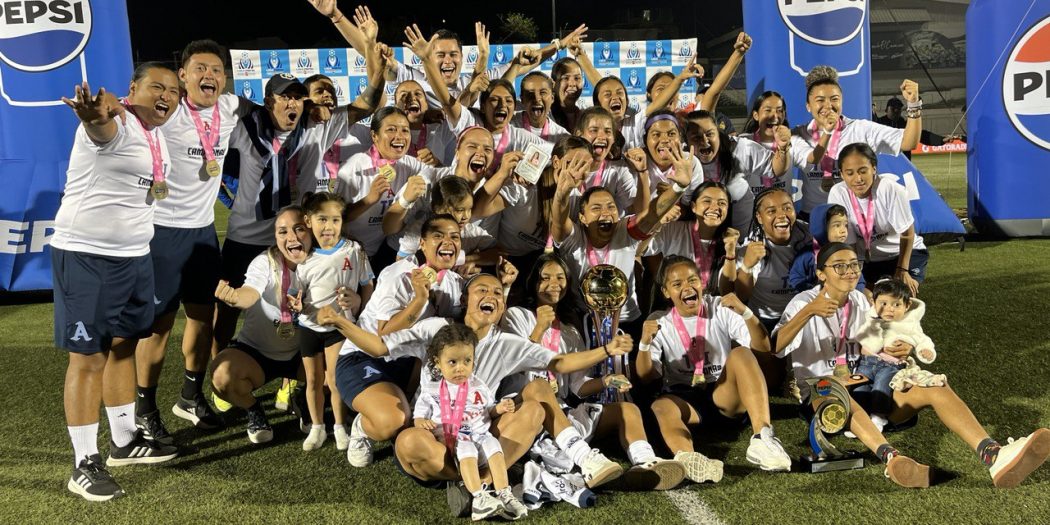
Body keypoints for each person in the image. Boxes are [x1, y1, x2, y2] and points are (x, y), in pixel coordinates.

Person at [320, 273, 631, 492]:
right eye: (482, 290)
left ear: (502, 308)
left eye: (497, 293)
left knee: (535, 404)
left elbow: (559, 363)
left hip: (480, 439)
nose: (491, 296)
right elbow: (378, 347)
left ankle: (481, 483)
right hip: (435, 442)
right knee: (408, 443)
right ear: (465, 299)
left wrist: (607, 349)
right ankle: (478, 481)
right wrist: (339, 321)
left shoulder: (507, 343)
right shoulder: (435, 329)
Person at [774, 243, 1050, 489]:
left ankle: (993, 455)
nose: (850, 271)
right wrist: (807, 313)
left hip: (871, 388)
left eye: (854, 265)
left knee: (935, 385)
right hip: (822, 396)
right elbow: (776, 347)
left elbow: (885, 337)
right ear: (821, 274)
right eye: (839, 266)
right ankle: (892, 459)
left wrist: (901, 347)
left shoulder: (861, 301)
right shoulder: (803, 302)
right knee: (832, 388)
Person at [55, 65, 181, 501]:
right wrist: (95, 114)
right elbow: (101, 126)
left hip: (135, 256)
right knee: (88, 357)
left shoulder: (155, 133)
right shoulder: (118, 122)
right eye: (156, 87)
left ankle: (124, 441)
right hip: (87, 256)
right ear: (132, 90)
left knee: (124, 346)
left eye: (173, 91)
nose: (166, 96)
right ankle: (83, 463)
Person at [133, 40, 253, 444]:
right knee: (159, 327)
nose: (209, 76)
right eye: (200, 68)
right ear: (182, 75)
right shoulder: (166, 110)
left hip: (203, 233)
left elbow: (269, 110)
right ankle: (144, 409)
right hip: (162, 230)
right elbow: (127, 108)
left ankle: (190, 395)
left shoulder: (231, 108)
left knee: (203, 317)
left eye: (217, 70)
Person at [501, 254, 687, 491]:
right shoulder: (516, 315)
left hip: (561, 412)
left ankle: (645, 463)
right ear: (533, 283)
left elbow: (577, 386)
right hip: (526, 410)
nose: (553, 284)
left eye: (560, 278)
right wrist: (539, 329)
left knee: (627, 409)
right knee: (542, 388)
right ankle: (585, 458)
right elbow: (515, 361)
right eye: (545, 278)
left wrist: (607, 381)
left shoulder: (570, 331)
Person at [637, 256, 792, 478]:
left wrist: (746, 313)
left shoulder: (719, 306)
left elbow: (764, 349)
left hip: (723, 393)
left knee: (741, 353)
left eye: (692, 280)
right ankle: (689, 459)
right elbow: (646, 376)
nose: (687, 288)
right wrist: (644, 344)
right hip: (686, 400)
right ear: (666, 292)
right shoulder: (659, 320)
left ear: (702, 282)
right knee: (661, 406)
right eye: (677, 284)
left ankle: (763, 437)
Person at [550, 140, 697, 335]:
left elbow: (651, 215)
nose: (606, 212)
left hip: (627, 321)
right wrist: (562, 193)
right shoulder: (574, 239)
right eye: (596, 208)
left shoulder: (624, 231)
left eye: (611, 207)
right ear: (582, 218)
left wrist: (679, 187)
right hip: (584, 321)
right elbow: (559, 220)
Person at [210, 206, 311, 444]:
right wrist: (235, 297)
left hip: (302, 355)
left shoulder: (322, 262)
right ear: (275, 236)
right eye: (283, 231)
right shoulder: (265, 261)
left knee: (338, 370)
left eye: (298, 229)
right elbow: (250, 293)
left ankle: (305, 398)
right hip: (257, 353)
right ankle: (253, 409)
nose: (291, 237)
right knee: (221, 376)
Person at [412, 324, 529, 521]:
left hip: (481, 435)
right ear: (437, 362)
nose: (461, 368)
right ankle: (479, 498)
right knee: (467, 448)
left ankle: (504, 494)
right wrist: (421, 421)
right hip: (455, 439)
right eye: (452, 362)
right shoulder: (431, 390)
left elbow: (488, 410)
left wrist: (499, 408)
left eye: (467, 361)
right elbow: (418, 418)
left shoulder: (478, 385)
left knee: (494, 445)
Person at [295, 192, 374, 451]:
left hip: (339, 328)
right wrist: (297, 306)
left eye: (335, 220)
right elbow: (296, 294)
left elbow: (367, 285)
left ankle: (340, 426)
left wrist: (360, 306)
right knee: (313, 380)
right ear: (308, 221)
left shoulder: (354, 250)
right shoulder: (302, 256)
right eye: (322, 219)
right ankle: (317, 427)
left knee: (335, 380)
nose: (328, 226)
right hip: (309, 327)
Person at [793, 65, 922, 217]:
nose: (828, 106)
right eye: (820, 100)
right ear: (808, 106)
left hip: (852, 219)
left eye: (834, 99)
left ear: (842, 101)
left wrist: (914, 104)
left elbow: (908, 142)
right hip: (812, 217)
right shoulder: (799, 134)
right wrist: (828, 131)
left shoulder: (861, 129)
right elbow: (807, 159)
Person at [335, 106, 436, 271]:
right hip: (352, 254)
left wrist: (435, 162)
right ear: (374, 136)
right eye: (391, 129)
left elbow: (437, 176)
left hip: (387, 252)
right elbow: (337, 218)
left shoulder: (410, 164)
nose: (399, 136)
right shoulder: (352, 168)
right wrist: (369, 199)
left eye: (405, 130)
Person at [827, 143, 928, 296]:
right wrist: (855, 276)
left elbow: (907, 233)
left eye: (863, 171)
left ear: (874, 168)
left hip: (902, 253)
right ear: (841, 174)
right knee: (863, 297)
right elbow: (849, 243)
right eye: (850, 173)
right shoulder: (838, 193)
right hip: (869, 260)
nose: (858, 179)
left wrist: (902, 270)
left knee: (897, 296)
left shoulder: (891, 189)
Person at [852, 278, 941, 433]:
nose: (890, 309)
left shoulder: (909, 325)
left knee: (881, 385)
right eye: (884, 304)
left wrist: (925, 350)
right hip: (867, 362)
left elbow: (922, 339)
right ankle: (860, 418)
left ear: (907, 305)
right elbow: (861, 335)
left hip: (890, 365)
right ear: (874, 303)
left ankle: (878, 417)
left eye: (896, 305)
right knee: (859, 387)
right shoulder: (871, 319)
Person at [682, 109, 786, 233]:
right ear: (686, 141)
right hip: (699, 232)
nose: (705, 140)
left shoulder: (739, 149)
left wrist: (783, 148)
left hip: (740, 229)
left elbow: (776, 169)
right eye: (696, 137)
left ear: (718, 133)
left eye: (710, 134)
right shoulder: (680, 159)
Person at [642, 182, 740, 297]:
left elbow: (729, 292)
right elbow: (640, 250)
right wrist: (659, 222)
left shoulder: (730, 241)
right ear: (693, 207)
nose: (714, 207)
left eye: (722, 203)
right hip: (677, 305)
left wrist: (730, 253)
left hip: (715, 306)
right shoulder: (673, 230)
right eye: (707, 201)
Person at [787, 203, 869, 295]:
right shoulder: (807, 254)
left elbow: (858, 278)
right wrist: (813, 292)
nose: (843, 230)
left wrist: (855, 293)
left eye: (845, 225)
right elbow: (796, 278)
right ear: (820, 227)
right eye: (837, 225)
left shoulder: (847, 253)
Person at [875, 97, 947, 159]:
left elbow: (922, 135)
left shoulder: (905, 124)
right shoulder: (879, 124)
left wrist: (941, 140)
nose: (896, 111)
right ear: (886, 110)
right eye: (893, 108)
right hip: (885, 163)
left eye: (899, 108)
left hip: (904, 164)